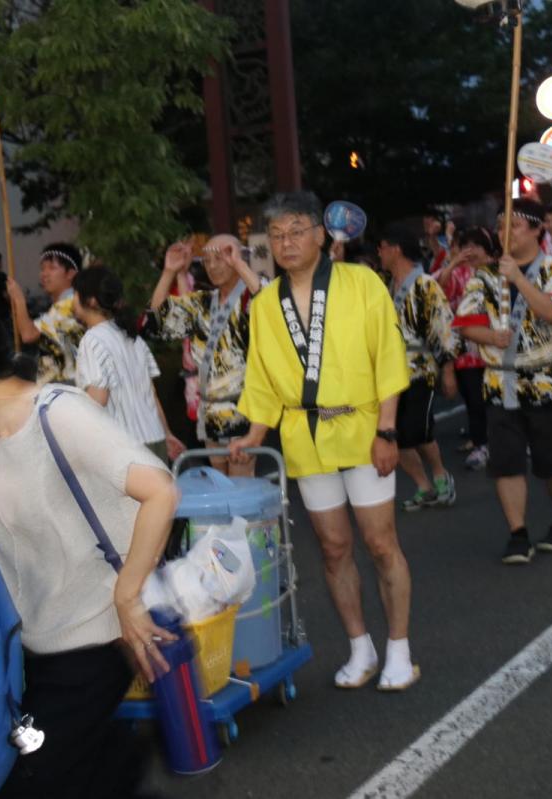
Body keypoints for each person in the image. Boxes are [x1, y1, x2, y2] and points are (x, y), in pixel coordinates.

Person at [0, 297, 178, 798]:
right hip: (30, 644)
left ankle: (118, 766)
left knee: (25, 773)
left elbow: (161, 490)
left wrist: (127, 596)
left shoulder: (59, 415)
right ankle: (120, 769)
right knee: (67, 766)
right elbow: (10, 519)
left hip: (96, 641)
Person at [229, 192, 419, 692]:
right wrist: (253, 434)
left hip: (362, 427)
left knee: (380, 543)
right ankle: (361, 647)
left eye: (296, 231)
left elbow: (389, 359)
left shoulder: (361, 283)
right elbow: (262, 378)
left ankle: (399, 648)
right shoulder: (265, 304)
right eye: (276, 235)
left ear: (320, 234)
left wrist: (387, 430)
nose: (286, 242)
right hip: (304, 436)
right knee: (334, 549)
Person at [453, 199, 552, 564]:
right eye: (501, 224)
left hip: (543, 380)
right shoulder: (485, 276)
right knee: (505, 463)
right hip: (498, 382)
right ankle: (517, 533)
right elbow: (464, 323)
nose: (505, 231)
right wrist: (489, 337)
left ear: (538, 229)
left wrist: (519, 278)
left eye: (515, 224)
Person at [148, 235, 263, 475]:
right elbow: (158, 319)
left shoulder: (251, 295)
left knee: (241, 490)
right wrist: (170, 271)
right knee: (220, 487)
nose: (212, 266)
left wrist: (240, 265)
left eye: (220, 258)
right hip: (210, 410)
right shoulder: (203, 302)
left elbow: (273, 308)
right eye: (207, 260)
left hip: (244, 407)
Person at [377, 229, 458, 510]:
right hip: (390, 373)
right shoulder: (387, 286)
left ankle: (439, 475)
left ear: (396, 249)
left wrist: (447, 370)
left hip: (420, 369)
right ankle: (423, 485)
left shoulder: (424, 284)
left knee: (418, 431)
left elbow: (443, 326)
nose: (380, 253)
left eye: (383, 247)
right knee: (393, 434)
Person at [73, 268, 185, 464]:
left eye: (75, 294)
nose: (72, 300)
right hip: (155, 439)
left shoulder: (92, 340)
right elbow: (151, 394)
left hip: (124, 448)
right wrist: (167, 433)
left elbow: (97, 399)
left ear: (90, 301)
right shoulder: (133, 338)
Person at [434, 227, 496, 470]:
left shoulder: (496, 270)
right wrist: (452, 264)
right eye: (465, 246)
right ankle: (481, 444)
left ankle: (503, 441)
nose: (470, 252)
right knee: (473, 399)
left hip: (495, 344)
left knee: (496, 399)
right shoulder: (458, 272)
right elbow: (437, 291)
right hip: (467, 349)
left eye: (475, 246)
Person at [6, 243, 85, 386]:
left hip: (66, 386)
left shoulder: (68, 305)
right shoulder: (67, 303)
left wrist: (19, 299)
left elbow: (28, 334)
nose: (44, 273)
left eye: (52, 268)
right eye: (42, 268)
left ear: (71, 273)